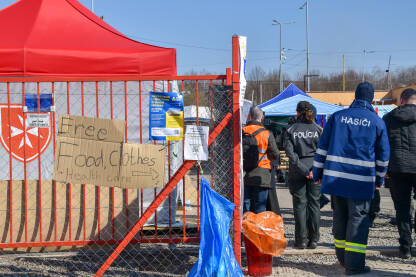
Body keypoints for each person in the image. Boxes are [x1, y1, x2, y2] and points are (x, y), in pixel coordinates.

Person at [313, 82, 390, 275]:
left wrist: (318, 174)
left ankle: (342, 258)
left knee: (340, 217)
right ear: (372, 99)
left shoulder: (337, 117)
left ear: (354, 96)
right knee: (358, 220)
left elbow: (322, 147)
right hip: (361, 181)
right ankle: (354, 265)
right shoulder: (376, 121)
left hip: (336, 179)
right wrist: (379, 180)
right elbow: (383, 156)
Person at [284, 101, 323, 249]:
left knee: (300, 206)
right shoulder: (319, 129)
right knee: (314, 205)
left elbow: (290, 153)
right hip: (315, 171)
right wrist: (314, 170)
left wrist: (303, 169)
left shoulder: (290, 130)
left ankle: (301, 240)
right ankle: (314, 239)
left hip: (298, 171)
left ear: (298, 112)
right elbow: (323, 151)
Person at [383, 88, 416, 259]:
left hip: (397, 168)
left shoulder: (389, 118)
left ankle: (406, 247)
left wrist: (384, 169)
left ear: (401, 100)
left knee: (402, 209)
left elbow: (383, 147)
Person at [243, 106, 280, 214]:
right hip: (262, 174)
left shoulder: (242, 131)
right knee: (260, 207)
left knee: (246, 206)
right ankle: (258, 230)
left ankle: (245, 229)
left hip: (245, 173)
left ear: (249, 116)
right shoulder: (267, 133)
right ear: (262, 117)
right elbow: (275, 154)